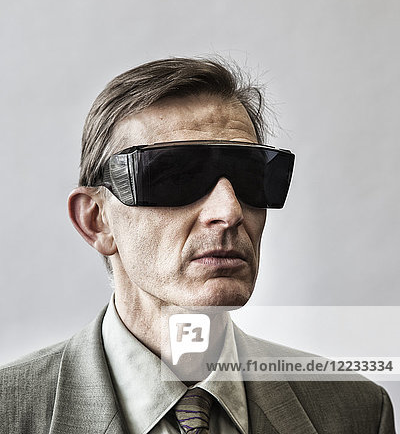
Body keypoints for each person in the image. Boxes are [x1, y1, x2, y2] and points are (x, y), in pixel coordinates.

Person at [0, 57, 395, 433]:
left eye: (250, 176)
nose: (229, 211)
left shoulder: (355, 411)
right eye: (176, 176)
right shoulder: (10, 413)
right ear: (97, 220)